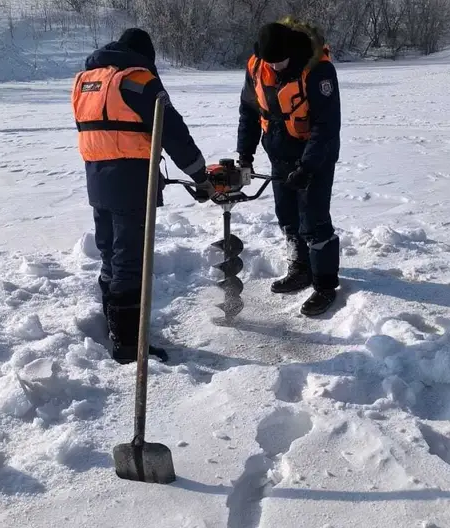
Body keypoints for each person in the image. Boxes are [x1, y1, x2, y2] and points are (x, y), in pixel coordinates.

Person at [72, 28, 214, 364]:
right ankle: (129, 344)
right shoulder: (138, 80)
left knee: (110, 254)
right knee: (130, 261)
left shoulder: (86, 81)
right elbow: (172, 130)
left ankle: (114, 326)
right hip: (133, 184)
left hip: (97, 181)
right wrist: (199, 175)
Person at [236, 17, 341, 316]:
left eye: (281, 62)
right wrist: (245, 153)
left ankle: (324, 285)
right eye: (272, 62)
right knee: (288, 216)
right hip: (279, 153)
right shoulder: (257, 67)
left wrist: (307, 167)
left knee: (315, 218)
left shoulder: (318, 70)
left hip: (315, 154)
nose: (277, 68)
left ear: (292, 51)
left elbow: (327, 124)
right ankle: (300, 268)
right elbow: (249, 110)